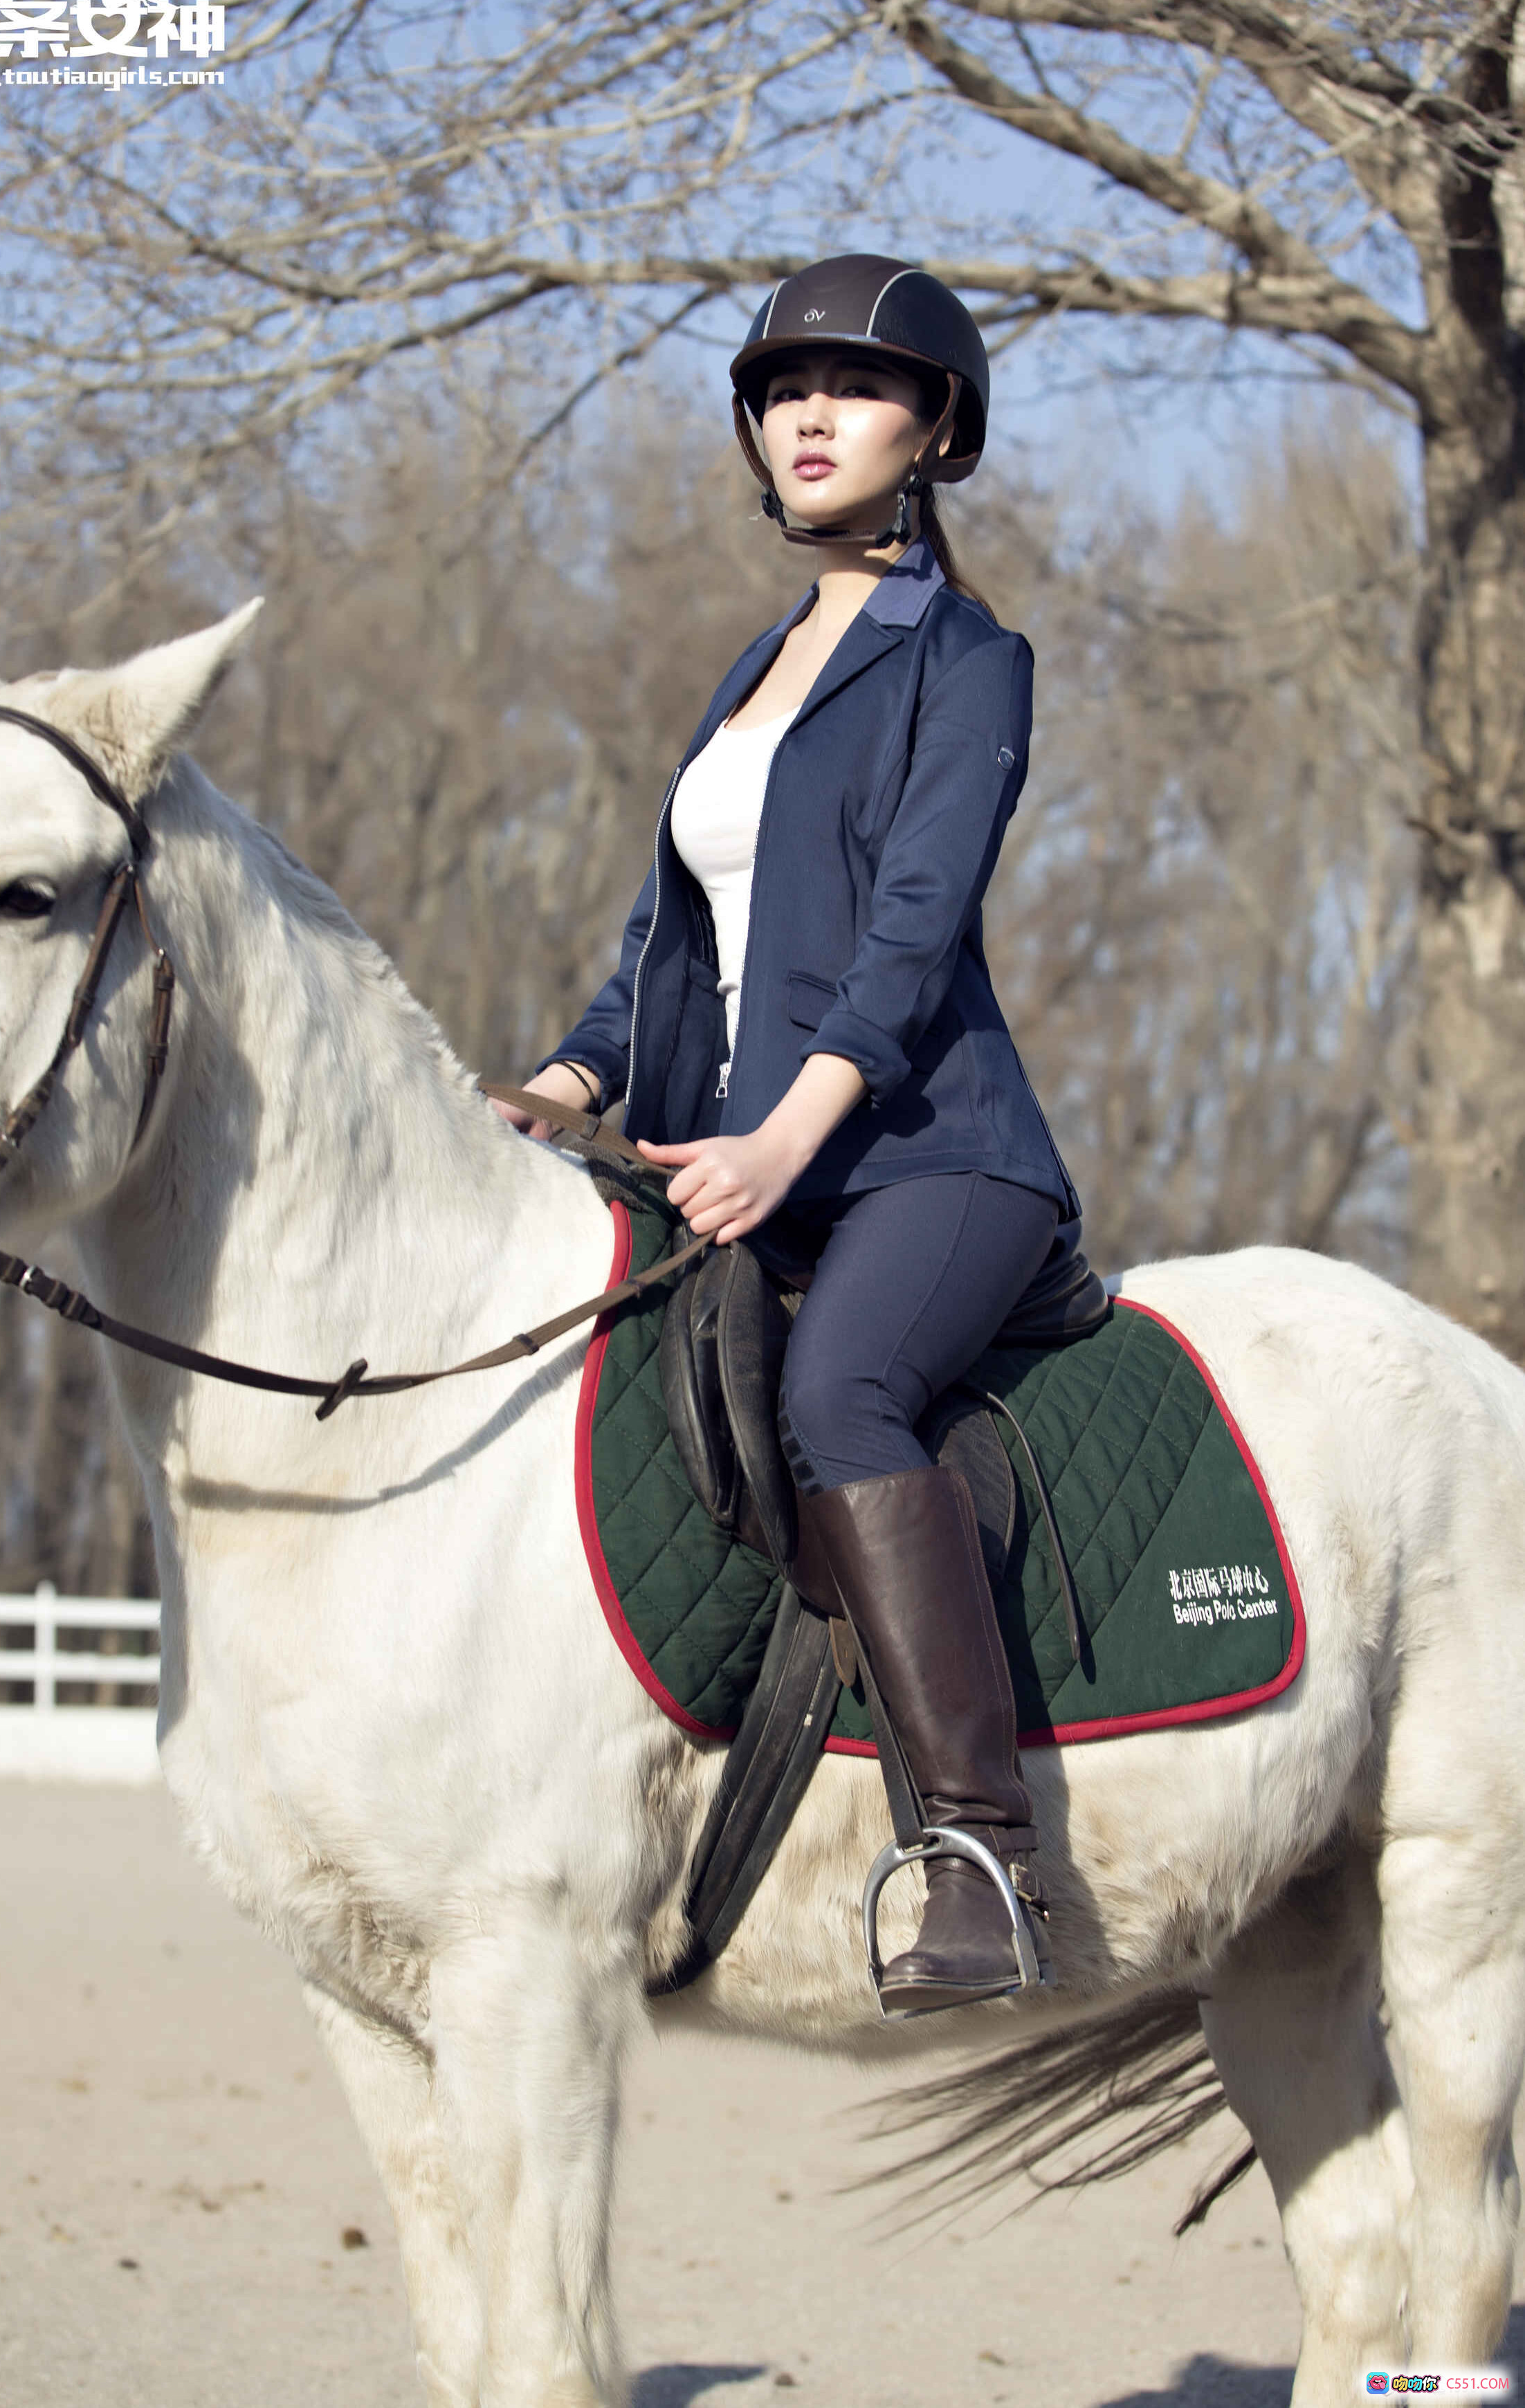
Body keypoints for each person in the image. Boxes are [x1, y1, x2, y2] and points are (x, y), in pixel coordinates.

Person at [491, 254, 1083, 2012]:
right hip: (738, 1158)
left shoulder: (967, 659)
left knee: (837, 1397)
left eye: (859, 386)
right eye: (781, 388)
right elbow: (671, 954)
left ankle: (980, 1848)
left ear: (935, 429)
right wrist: (563, 1086)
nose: (810, 414)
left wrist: (786, 1136)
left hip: (930, 1157)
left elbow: (909, 937)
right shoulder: (753, 670)